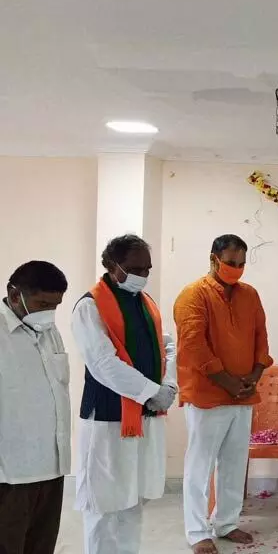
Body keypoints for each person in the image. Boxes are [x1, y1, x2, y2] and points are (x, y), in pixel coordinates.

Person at [71, 235, 178, 554]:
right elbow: (103, 363)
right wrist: (150, 392)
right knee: (105, 504)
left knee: (133, 500)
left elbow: (166, 346)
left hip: (145, 419)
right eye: (134, 268)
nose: (142, 276)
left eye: (147, 269)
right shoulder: (90, 306)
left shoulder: (146, 303)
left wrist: (168, 386)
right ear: (111, 264)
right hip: (107, 420)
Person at [174, 234, 273, 554]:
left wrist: (255, 375)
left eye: (242, 264)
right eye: (231, 263)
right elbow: (193, 345)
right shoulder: (193, 295)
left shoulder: (250, 294)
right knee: (200, 465)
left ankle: (226, 522)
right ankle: (196, 530)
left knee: (233, 462)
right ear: (214, 259)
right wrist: (227, 381)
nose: (237, 269)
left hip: (244, 393)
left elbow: (261, 337)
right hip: (207, 394)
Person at [0, 261, 70, 554]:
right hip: (10, 474)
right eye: (42, 303)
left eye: (55, 305)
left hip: (52, 466)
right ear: (14, 295)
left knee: (41, 545)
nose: (49, 313)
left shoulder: (48, 331)